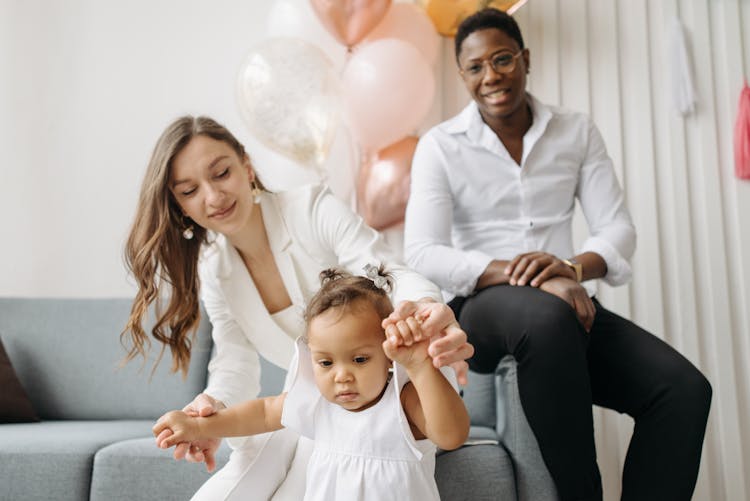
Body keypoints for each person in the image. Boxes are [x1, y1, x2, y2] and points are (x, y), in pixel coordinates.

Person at [404, 8, 711, 501]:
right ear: (463, 76)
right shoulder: (440, 146)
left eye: (502, 59)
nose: (491, 76)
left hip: (566, 304)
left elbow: (617, 228)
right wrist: (522, 273)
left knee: (683, 392)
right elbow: (422, 251)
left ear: (524, 58)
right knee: (546, 315)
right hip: (479, 310)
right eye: (476, 67)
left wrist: (569, 268)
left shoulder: (576, 131)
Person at [122, 115, 474, 500]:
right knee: (239, 478)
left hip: (383, 399)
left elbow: (386, 271)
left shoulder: (310, 209)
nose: (213, 197)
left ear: (246, 165)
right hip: (315, 402)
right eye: (189, 191)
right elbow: (234, 362)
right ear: (180, 207)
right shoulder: (216, 270)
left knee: (297, 473)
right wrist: (209, 415)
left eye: (221, 173)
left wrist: (423, 311)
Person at [152, 267, 471, 501]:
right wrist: (199, 427)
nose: (341, 376)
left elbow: (452, 435)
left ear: (388, 355)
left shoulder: (403, 402)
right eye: (326, 363)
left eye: (359, 360)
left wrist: (419, 367)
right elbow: (263, 413)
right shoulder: (318, 401)